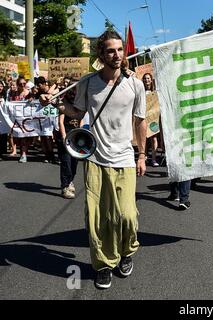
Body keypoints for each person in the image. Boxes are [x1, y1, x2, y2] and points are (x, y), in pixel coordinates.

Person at [40, 30, 147, 289]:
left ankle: (128, 250)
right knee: (97, 219)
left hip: (124, 158)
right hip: (96, 158)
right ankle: (103, 265)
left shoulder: (135, 84)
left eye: (120, 49)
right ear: (101, 54)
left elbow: (140, 121)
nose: (117, 55)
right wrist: (54, 105)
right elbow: (76, 111)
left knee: (127, 216)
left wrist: (142, 154)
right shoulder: (89, 82)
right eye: (111, 50)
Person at [56, 81, 82, 199]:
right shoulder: (64, 103)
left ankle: (70, 180)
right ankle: (65, 186)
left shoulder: (80, 103)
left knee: (74, 162)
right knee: (66, 161)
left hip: (76, 137)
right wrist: (64, 136)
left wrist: (80, 132)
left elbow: (80, 119)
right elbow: (61, 121)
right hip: (66, 136)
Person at [142, 72, 161, 167]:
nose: (147, 80)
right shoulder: (141, 91)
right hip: (143, 118)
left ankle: (153, 159)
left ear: (151, 80)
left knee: (154, 138)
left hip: (153, 119)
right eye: (145, 78)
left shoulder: (156, 91)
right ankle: (143, 157)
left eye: (148, 78)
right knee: (143, 138)